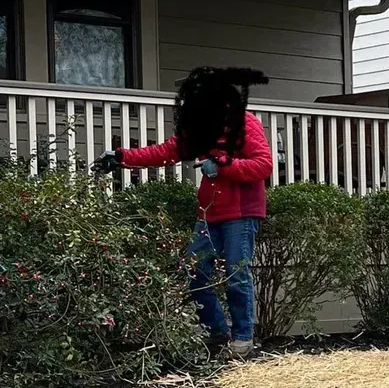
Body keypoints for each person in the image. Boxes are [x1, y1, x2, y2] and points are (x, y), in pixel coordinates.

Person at [95, 66, 273, 359]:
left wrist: (224, 165)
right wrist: (121, 157)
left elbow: (263, 165)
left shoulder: (244, 123)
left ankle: (243, 338)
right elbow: (165, 151)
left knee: (236, 274)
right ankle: (216, 332)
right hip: (210, 213)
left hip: (241, 213)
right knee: (195, 271)